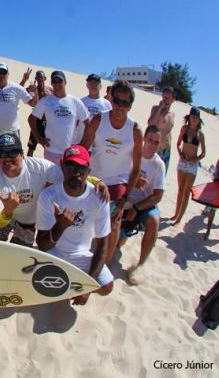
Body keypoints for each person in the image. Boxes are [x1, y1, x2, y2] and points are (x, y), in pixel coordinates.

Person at [0, 133, 109, 247]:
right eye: (1, 154)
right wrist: (8, 210)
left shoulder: (38, 167)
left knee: (18, 255)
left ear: (22, 154)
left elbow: (68, 174)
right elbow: (0, 222)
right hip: (4, 218)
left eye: (12, 153)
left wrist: (94, 180)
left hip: (28, 222)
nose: (7, 159)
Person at [36, 145, 113, 305]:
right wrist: (60, 227)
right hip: (55, 253)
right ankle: (68, 282)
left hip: (82, 253)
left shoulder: (99, 198)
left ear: (88, 171)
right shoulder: (48, 196)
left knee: (106, 287)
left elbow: (102, 245)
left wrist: (88, 288)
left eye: (81, 168)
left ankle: (73, 282)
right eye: (71, 167)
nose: (76, 173)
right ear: (62, 168)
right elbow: (42, 245)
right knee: (37, 283)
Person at [80, 79, 142, 264]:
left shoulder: (135, 130)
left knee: (114, 222)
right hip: (94, 179)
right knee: (85, 220)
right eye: (117, 101)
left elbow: (137, 168)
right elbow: (83, 150)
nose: (120, 107)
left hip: (117, 182)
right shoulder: (98, 120)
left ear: (130, 106)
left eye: (126, 103)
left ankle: (102, 267)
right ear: (110, 99)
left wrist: (127, 197)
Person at [119, 125, 166, 282]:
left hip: (142, 205)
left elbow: (158, 196)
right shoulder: (131, 153)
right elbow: (116, 176)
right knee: (118, 244)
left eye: (157, 142)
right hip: (124, 200)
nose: (153, 144)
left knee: (154, 221)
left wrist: (137, 208)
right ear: (144, 138)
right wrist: (132, 182)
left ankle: (140, 265)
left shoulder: (158, 164)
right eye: (150, 140)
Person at [28, 71, 89, 164]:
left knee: (68, 178)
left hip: (70, 152)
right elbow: (31, 119)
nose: (57, 84)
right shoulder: (46, 101)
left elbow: (88, 123)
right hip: (51, 151)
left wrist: (82, 144)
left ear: (65, 82)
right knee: (51, 178)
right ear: (51, 83)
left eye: (59, 81)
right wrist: (38, 138)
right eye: (54, 81)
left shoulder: (75, 101)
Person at [169, 107, 206, 226]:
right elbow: (178, 144)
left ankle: (179, 218)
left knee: (186, 192)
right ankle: (175, 214)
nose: (194, 119)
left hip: (192, 165)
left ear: (199, 120)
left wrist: (195, 159)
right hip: (182, 162)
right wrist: (180, 153)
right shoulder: (184, 129)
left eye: (196, 117)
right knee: (180, 189)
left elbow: (204, 153)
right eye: (193, 116)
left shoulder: (200, 134)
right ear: (189, 117)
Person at [0, 62, 36, 134]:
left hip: (13, 132)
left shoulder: (16, 88)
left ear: (8, 74)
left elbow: (32, 103)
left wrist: (37, 90)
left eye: (4, 72)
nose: (1, 75)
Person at [74, 73, 112, 143]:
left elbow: (110, 124)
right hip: (82, 143)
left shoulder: (107, 104)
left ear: (100, 86)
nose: (93, 85)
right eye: (91, 83)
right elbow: (75, 123)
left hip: (99, 145)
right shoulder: (80, 102)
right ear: (87, 85)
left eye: (96, 83)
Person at [147, 86, 176, 173]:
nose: (165, 100)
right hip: (155, 148)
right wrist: (159, 109)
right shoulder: (156, 109)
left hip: (166, 150)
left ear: (173, 100)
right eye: (164, 97)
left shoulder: (172, 114)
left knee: (162, 174)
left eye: (168, 98)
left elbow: (168, 131)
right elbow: (150, 123)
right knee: (151, 174)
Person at [26, 70, 53, 157]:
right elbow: (19, 90)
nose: (40, 79)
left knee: (48, 146)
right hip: (36, 121)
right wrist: (25, 80)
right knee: (31, 146)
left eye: (41, 77)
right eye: (38, 77)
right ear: (36, 78)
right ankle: (28, 166)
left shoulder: (50, 90)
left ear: (45, 78)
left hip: (48, 122)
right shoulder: (32, 89)